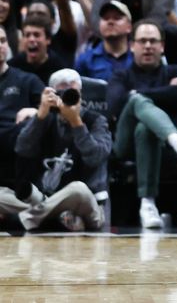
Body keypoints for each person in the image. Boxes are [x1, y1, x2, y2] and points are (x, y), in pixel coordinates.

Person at [108, 19, 177, 229]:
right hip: (126, 146)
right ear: (132, 45)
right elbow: (115, 104)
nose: (148, 46)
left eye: (153, 41)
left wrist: (138, 94)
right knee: (135, 102)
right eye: (142, 41)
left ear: (162, 46)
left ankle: (148, 203)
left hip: (161, 148)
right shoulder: (120, 75)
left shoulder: (175, 71)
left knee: (145, 127)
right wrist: (161, 94)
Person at [12, 69, 110, 231]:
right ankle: (58, 217)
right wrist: (40, 116)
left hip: (87, 204)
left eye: (72, 92)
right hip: (44, 198)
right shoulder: (44, 118)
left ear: (81, 94)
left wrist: (76, 122)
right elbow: (22, 149)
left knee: (77, 189)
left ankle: (26, 218)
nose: (67, 97)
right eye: (62, 92)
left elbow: (95, 157)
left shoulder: (96, 120)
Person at [0, 25, 43, 180]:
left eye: (3, 41)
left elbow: (56, 109)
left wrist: (38, 112)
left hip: (16, 148)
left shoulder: (27, 79)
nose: (0, 46)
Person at [74, 1, 133, 81]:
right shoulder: (86, 60)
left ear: (129, 27)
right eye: (105, 18)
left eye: (117, 18)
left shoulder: (138, 57)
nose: (110, 22)